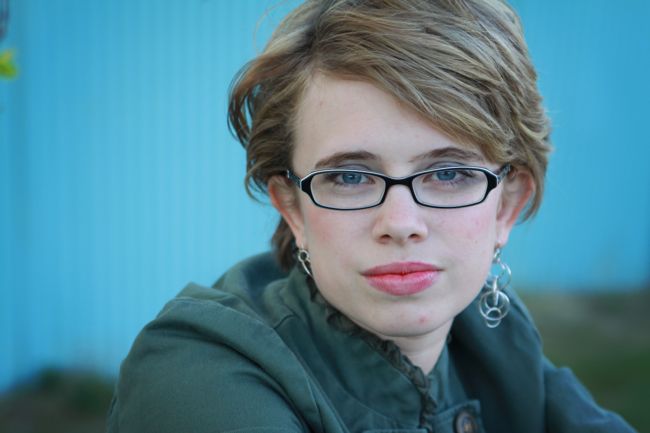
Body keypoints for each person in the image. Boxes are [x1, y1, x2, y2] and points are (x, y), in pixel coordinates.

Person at [106, 1, 637, 432]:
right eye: (351, 177)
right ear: (293, 209)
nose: (401, 221)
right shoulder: (197, 380)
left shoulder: (491, 335)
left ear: (506, 205)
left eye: (448, 173)